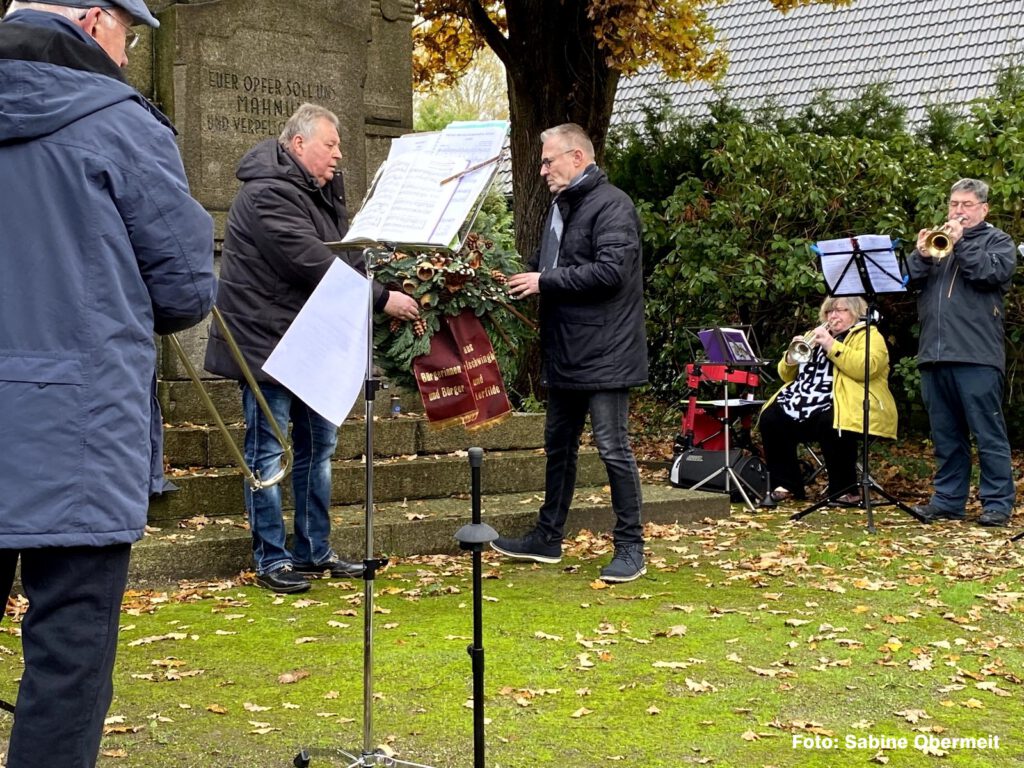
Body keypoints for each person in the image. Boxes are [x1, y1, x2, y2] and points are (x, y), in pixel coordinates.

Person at [0, 1, 216, 765]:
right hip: (77, 436)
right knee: (66, 669)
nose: (126, 57)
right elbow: (188, 287)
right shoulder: (121, 124)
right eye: (128, 35)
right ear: (95, 21)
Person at [204, 103, 420, 594]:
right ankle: (271, 558)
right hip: (269, 346)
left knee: (318, 450)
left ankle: (313, 552)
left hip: (311, 343)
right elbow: (313, 264)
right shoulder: (266, 195)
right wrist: (385, 300)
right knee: (269, 455)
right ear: (298, 144)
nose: (339, 155)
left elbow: (348, 256)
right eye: (331, 144)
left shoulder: (318, 193)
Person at [490, 123, 648, 583]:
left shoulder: (613, 205)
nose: (542, 170)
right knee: (558, 448)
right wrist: (520, 280)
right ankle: (547, 538)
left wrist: (544, 281)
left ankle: (630, 547)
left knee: (613, 448)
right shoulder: (563, 205)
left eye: (548, 160)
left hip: (606, 353)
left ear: (577, 158)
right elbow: (555, 269)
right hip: (565, 350)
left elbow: (611, 273)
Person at [906, 178, 1017, 526]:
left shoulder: (998, 241)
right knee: (946, 436)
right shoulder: (936, 241)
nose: (958, 211)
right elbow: (906, 281)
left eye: (966, 205)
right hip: (934, 354)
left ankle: (997, 503)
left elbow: (988, 274)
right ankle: (948, 501)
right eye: (954, 204)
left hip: (976, 355)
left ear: (983, 209)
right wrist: (921, 255)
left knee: (987, 433)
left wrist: (961, 242)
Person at [758, 296, 897, 505]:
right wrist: (790, 358)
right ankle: (787, 484)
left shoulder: (868, 335)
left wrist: (831, 345)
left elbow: (866, 368)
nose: (833, 316)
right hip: (804, 400)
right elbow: (786, 376)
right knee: (771, 418)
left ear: (856, 312)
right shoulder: (812, 336)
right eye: (829, 312)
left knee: (834, 421)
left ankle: (845, 490)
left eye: (840, 310)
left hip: (848, 402)